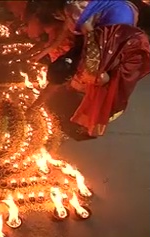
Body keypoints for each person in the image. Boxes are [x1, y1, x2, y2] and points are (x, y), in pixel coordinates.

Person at [29, 0, 150, 137]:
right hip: (125, 24)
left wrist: (93, 68)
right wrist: (47, 49)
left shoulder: (74, 11)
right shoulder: (72, 13)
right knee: (83, 61)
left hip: (119, 31)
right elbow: (73, 33)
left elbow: (90, 38)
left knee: (92, 70)